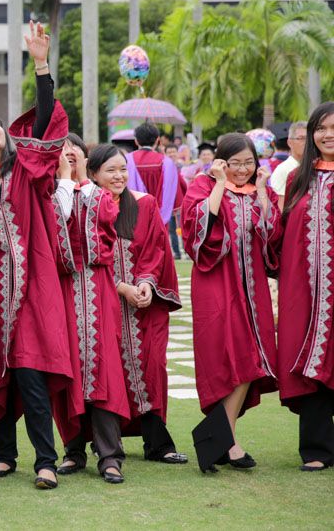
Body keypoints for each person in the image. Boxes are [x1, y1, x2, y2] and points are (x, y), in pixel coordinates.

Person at [0, 20, 69, 490]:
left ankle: (45, 461)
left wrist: (41, 65)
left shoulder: (26, 169)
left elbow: (44, 124)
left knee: (31, 372)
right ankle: (4, 456)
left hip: (32, 289)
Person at [181, 133, 280, 471]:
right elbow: (197, 234)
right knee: (226, 357)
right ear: (221, 162)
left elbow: (272, 237)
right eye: (234, 163)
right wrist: (220, 184)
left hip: (253, 290)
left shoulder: (260, 191)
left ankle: (223, 439)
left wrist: (262, 191)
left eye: (248, 163)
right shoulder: (203, 186)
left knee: (252, 356)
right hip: (216, 285)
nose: (242, 169)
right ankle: (227, 441)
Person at [86, 144, 186, 465]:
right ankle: (105, 441)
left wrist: (145, 282)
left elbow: (156, 249)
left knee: (153, 365)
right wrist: (121, 287)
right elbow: (88, 255)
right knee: (110, 371)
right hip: (103, 304)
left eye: (122, 169)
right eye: (110, 170)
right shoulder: (87, 205)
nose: (119, 176)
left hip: (144, 305)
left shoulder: (144, 204)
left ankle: (157, 443)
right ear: (94, 174)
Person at [52, 143, 130, 484]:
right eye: (64, 156)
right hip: (63, 291)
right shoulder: (51, 195)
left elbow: (107, 219)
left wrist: (82, 178)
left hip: (98, 289)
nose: (70, 161)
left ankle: (110, 455)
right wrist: (65, 180)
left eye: (76, 155)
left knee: (104, 369)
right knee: (68, 369)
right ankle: (73, 450)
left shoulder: (98, 195)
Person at [278, 103, 334, 471]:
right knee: (309, 362)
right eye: (321, 128)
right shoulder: (298, 179)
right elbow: (284, 234)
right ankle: (316, 449)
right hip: (306, 292)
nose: (328, 135)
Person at [127, 123, 183, 227]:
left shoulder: (126, 160)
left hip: (132, 219)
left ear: (136, 141)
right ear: (157, 140)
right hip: (160, 221)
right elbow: (176, 190)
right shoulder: (167, 162)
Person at [271, 121, 307, 210]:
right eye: (301, 138)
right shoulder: (283, 170)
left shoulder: (315, 166)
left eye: (309, 139)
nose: (306, 142)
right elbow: (280, 207)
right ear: (290, 142)